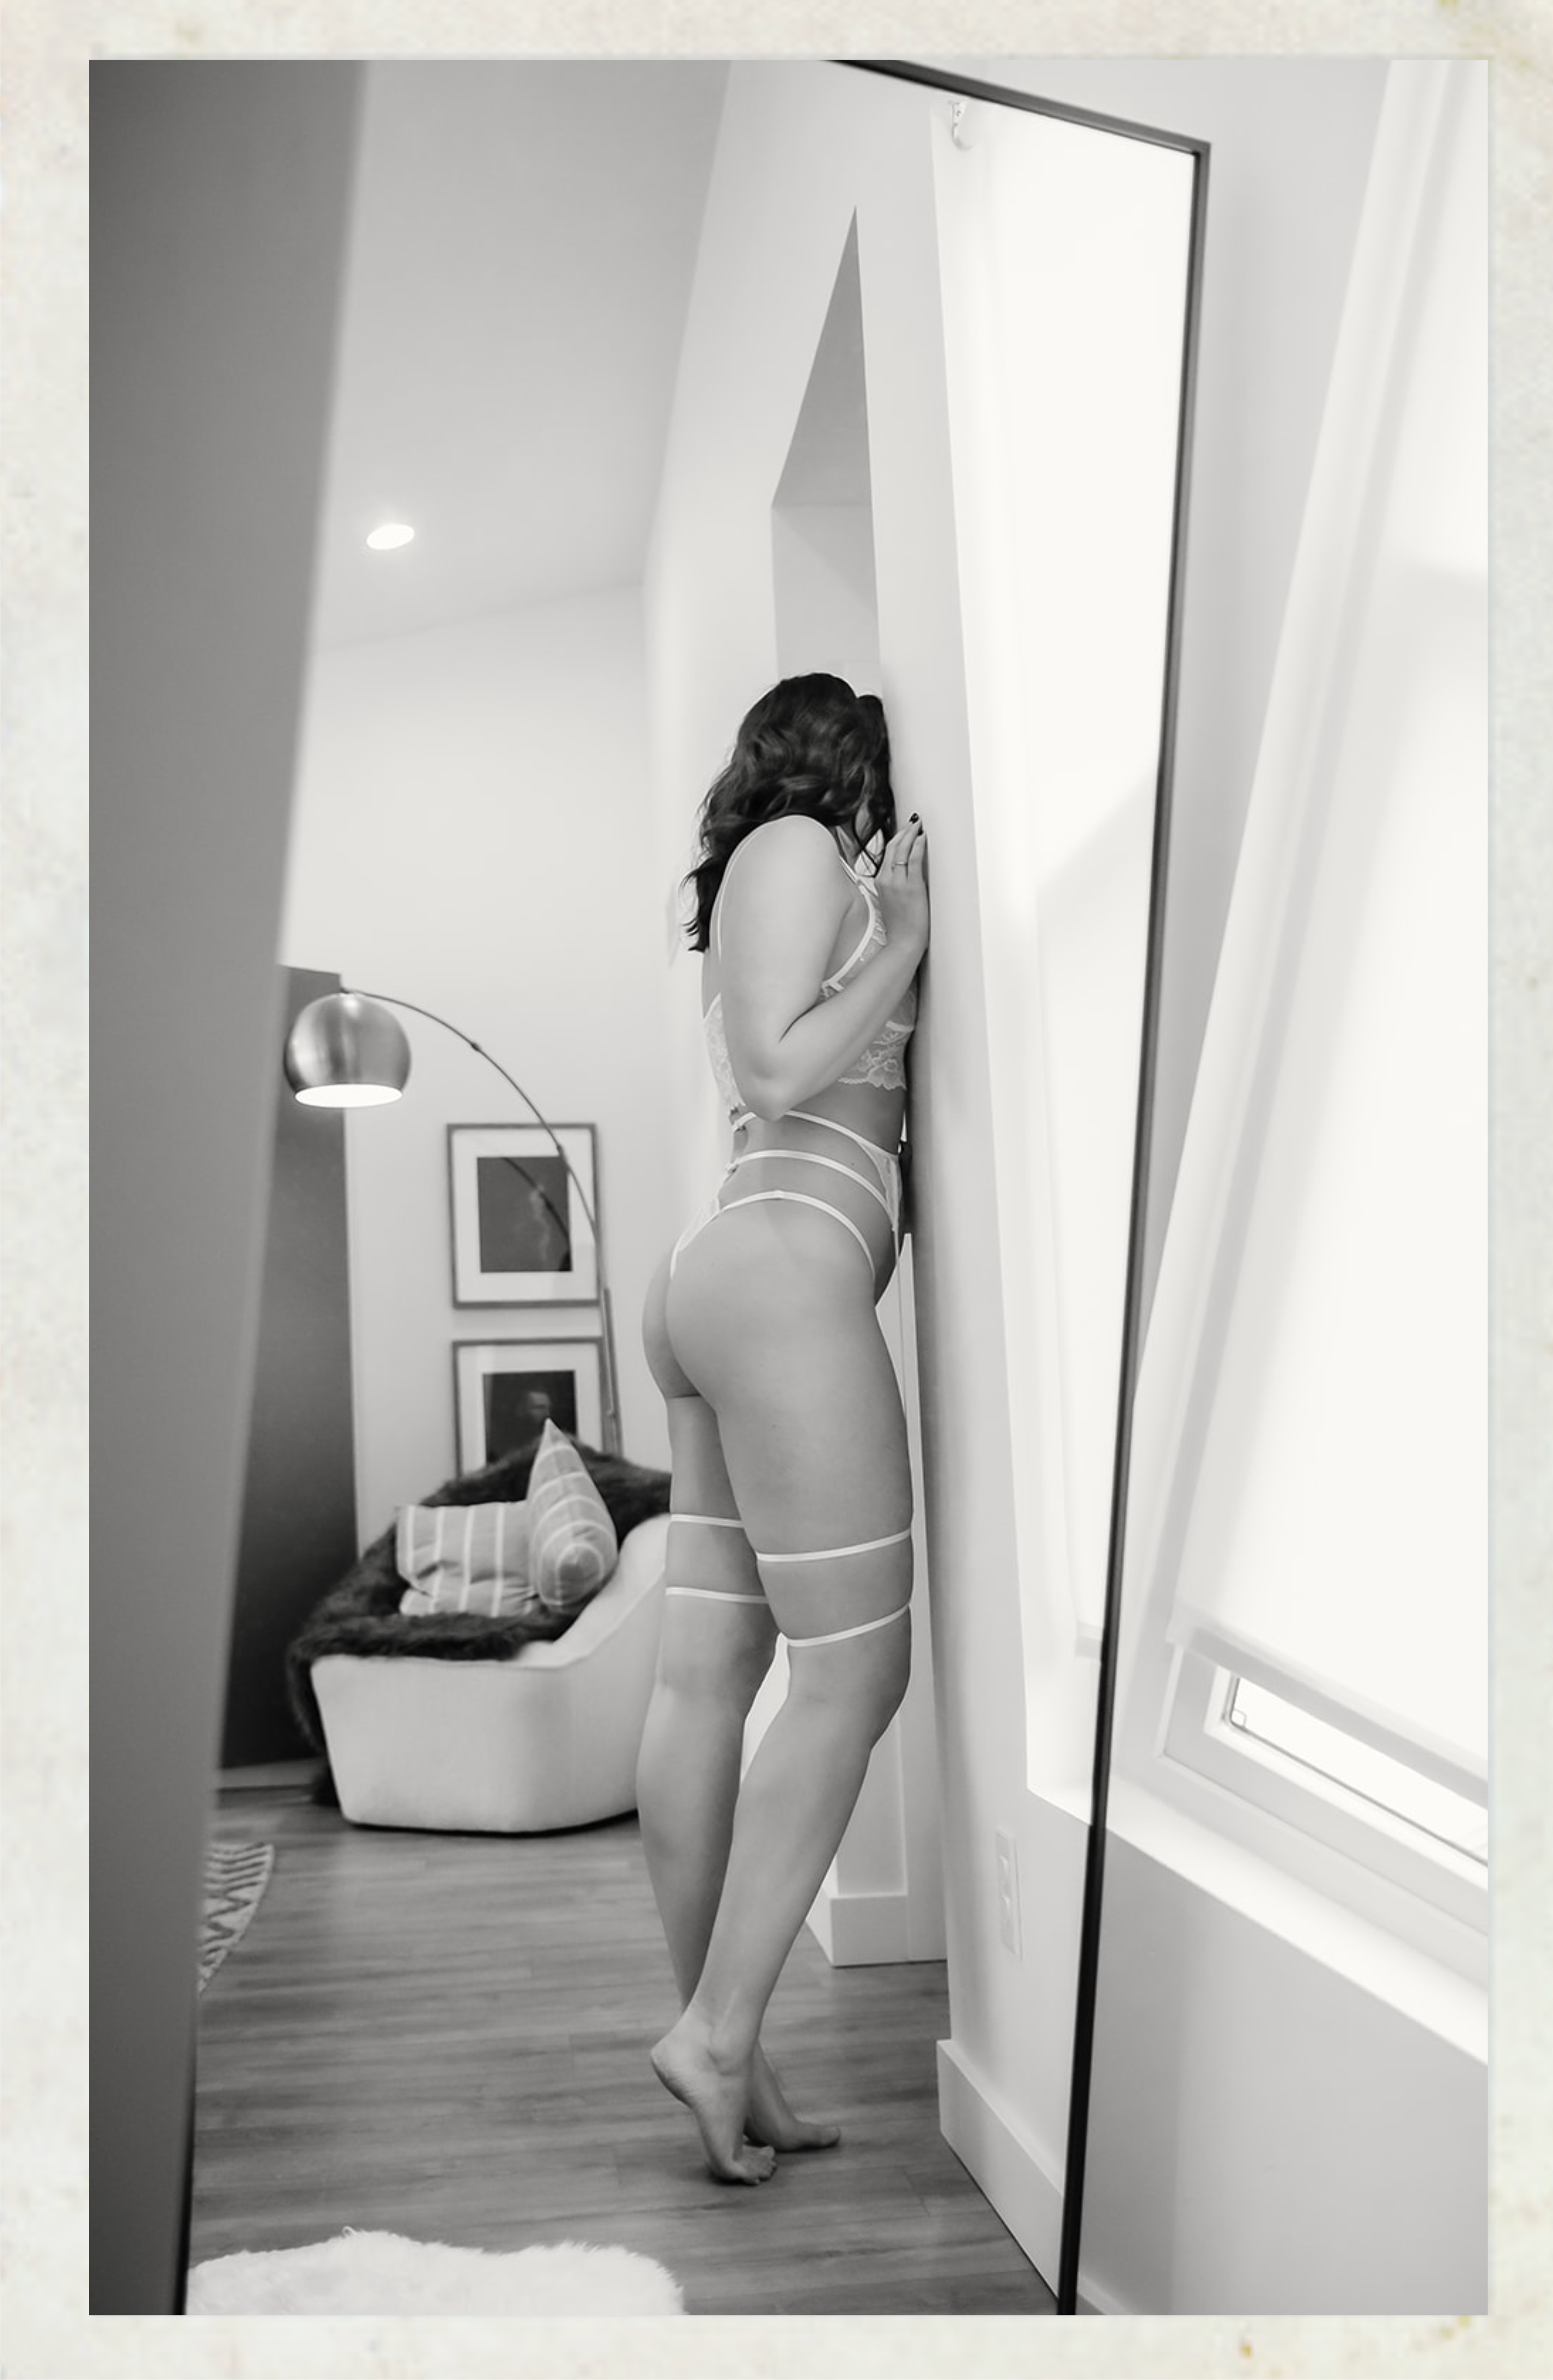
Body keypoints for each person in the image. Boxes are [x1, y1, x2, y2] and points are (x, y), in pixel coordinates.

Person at [637, 673, 929, 2184]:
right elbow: (771, 1070)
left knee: (709, 1680)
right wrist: (912, 946)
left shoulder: (777, 873)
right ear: (838, 762)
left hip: (739, 1275)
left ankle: (729, 2048)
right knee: (855, 1673)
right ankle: (718, 2030)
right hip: (781, 1275)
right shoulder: (799, 846)